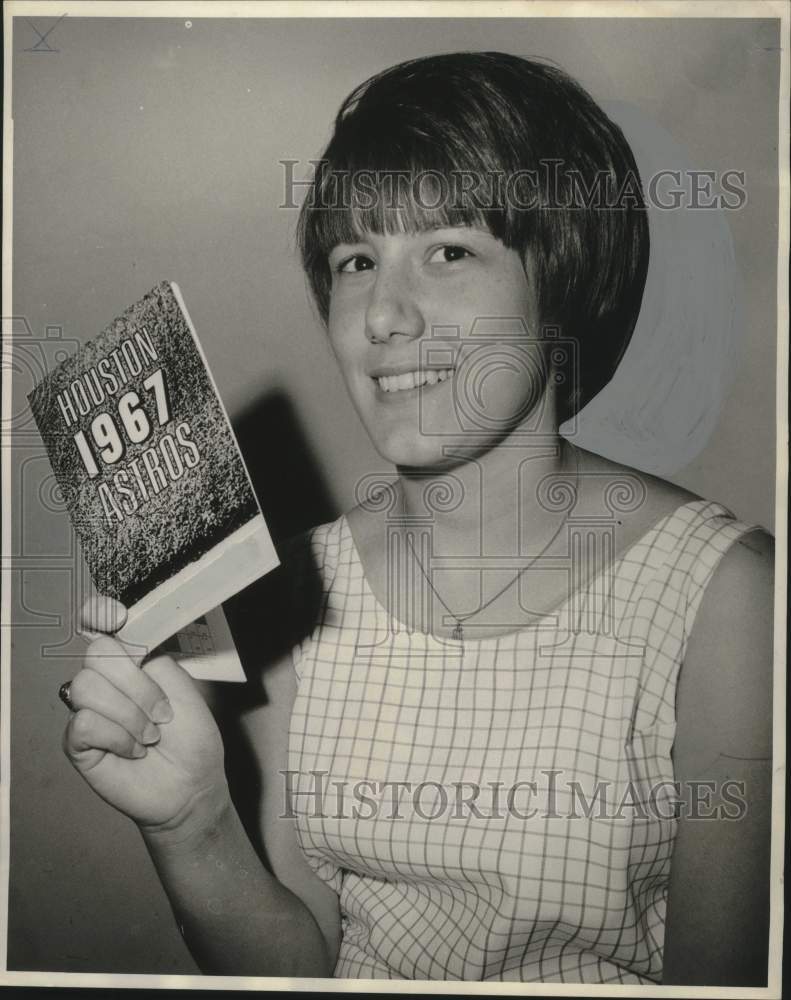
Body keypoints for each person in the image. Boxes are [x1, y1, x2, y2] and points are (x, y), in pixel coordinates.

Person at [59, 52, 773, 985]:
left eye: (448, 251)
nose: (383, 316)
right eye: (355, 261)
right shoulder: (286, 592)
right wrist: (192, 824)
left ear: (559, 276)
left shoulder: (727, 601)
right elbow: (302, 960)